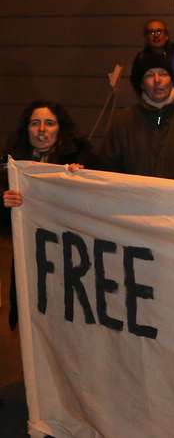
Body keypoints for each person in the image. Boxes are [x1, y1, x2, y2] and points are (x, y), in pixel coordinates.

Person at [2, 100, 96, 330]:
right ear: (27, 129)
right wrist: (3, 202)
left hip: (72, 260)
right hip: (29, 258)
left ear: (60, 128)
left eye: (49, 123)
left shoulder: (82, 157)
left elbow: (99, 200)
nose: (42, 130)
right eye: (35, 123)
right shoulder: (10, 164)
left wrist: (84, 179)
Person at [101, 54, 174, 179]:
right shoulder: (122, 121)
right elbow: (105, 168)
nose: (157, 80)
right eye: (149, 75)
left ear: (171, 80)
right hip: (133, 196)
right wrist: (80, 173)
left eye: (163, 74)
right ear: (142, 84)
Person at [130, 19, 174, 92]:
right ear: (146, 38)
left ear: (166, 35)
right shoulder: (141, 59)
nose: (156, 35)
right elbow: (136, 82)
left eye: (159, 31)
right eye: (151, 32)